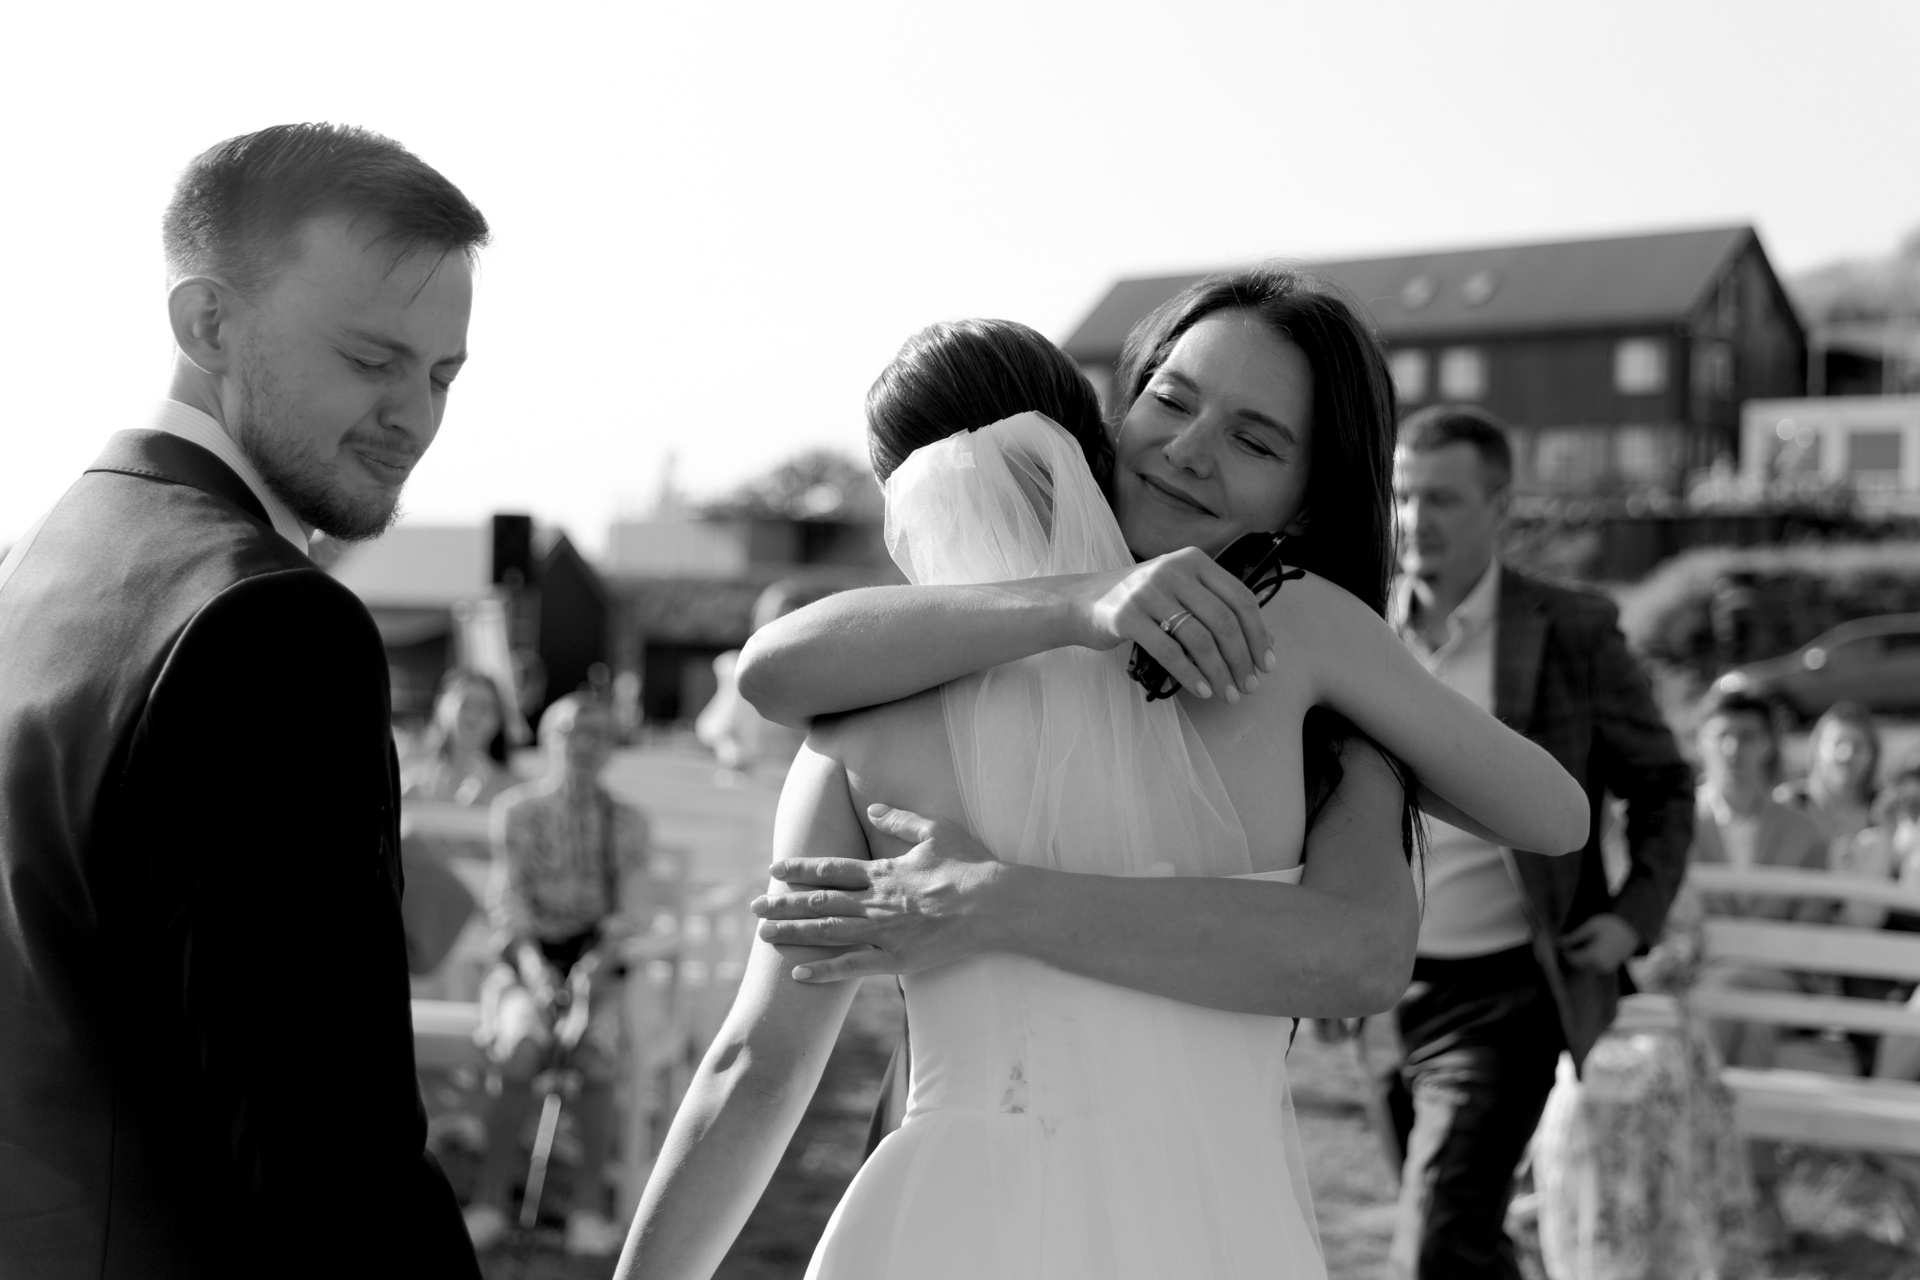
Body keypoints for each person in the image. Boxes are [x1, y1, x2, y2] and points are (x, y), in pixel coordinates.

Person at [616, 290, 1587, 1279]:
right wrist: (1080, 602)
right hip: (1201, 1224)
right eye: (1172, 400)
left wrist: (996, 901)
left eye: (1254, 438)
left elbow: (755, 1068)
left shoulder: (858, 721)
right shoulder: (1297, 644)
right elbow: (772, 671)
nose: (1190, 450)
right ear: (1094, 427)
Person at [0, 124, 486, 1278]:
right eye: (370, 358)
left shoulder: (30, 568)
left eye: (442, 374)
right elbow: (333, 1159)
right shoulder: (267, 623)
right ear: (208, 323)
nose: (414, 416)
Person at [1368, 405, 1697, 1278]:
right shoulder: (1362, 629)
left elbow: (1663, 785)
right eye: (1403, 496)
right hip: (1385, 985)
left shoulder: (1571, 630)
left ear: (1499, 507)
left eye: (1441, 498)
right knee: (1466, 1237)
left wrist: (1633, 918)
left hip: (1511, 989)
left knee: (1434, 1242)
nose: (1415, 520)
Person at [465, 694, 656, 1258]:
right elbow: (509, 902)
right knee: (522, 1045)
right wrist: (535, 971)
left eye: (599, 734)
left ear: (611, 748)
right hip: (525, 962)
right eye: (573, 731)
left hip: (597, 964)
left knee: (594, 1053)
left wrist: (592, 967)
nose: (585, 745)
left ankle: (586, 1209)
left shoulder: (627, 821)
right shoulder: (518, 810)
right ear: (550, 740)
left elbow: (632, 908)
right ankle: (489, 1200)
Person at [1687, 687, 1829, 1236]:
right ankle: (1760, 1197)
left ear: (1767, 744)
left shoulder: (1803, 831)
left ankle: (1699, 1184)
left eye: (1747, 736)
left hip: (1777, 982)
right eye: (1722, 735)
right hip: (1705, 988)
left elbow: (1808, 936)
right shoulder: (1677, 823)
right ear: (1702, 741)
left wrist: (1734, 964)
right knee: (1750, 1024)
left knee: (1739, 997)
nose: (1734, 749)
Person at [404, 667, 515, 807]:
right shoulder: (409, 786)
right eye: (465, 704)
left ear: (498, 719)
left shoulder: (514, 793)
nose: (473, 717)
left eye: (484, 708)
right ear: (440, 708)